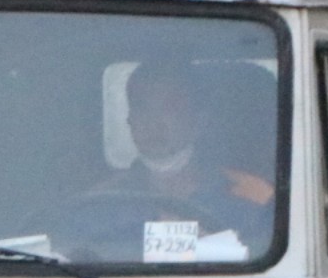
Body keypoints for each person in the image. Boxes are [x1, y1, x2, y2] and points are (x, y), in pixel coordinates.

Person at [96, 58, 276, 254]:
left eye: (170, 107)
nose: (153, 122)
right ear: (130, 119)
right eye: (142, 107)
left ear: (199, 120)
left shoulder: (255, 198)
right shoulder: (103, 202)